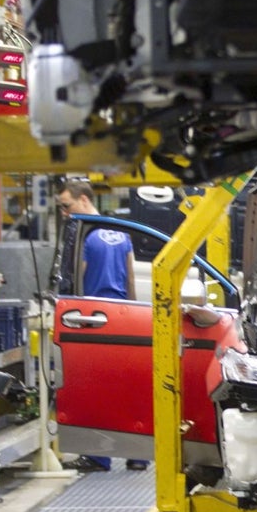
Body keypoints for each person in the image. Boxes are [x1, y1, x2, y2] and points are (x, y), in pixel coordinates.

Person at [56, 180, 149, 473]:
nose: (64, 213)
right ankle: (138, 455)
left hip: (92, 318)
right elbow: (131, 277)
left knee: (96, 388)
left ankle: (99, 457)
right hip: (123, 314)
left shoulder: (84, 233)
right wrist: (133, 313)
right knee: (129, 385)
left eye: (66, 206)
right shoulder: (121, 232)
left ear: (83, 200)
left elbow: (76, 281)